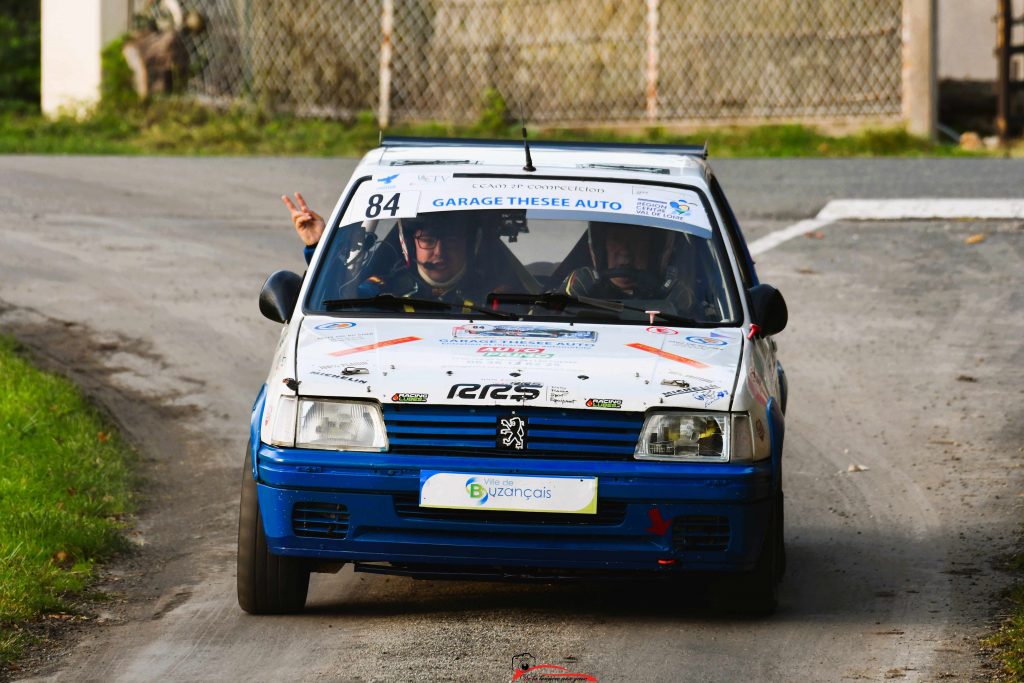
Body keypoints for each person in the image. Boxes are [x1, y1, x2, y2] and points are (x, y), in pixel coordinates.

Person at [281, 194, 510, 305]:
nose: (439, 252)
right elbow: (332, 302)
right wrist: (318, 245)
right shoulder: (383, 288)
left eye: (451, 241)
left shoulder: (500, 294)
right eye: (428, 240)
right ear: (409, 244)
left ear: (471, 245)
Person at [560, 221, 694, 308]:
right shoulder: (579, 287)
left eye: (636, 240)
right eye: (616, 239)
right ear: (601, 249)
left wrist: (679, 304)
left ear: (655, 251)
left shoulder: (675, 296)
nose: (625, 251)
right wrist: (571, 298)